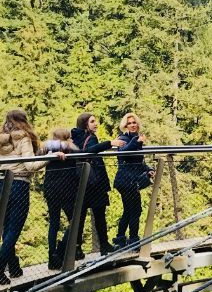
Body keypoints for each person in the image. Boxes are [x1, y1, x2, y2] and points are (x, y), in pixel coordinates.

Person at [0, 109, 41, 283]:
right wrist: (51, 158)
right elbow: (31, 166)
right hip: (18, 184)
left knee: (6, 226)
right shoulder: (23, 138)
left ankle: (14, 267)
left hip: (3, 184)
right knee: (15, 228)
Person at [70, 112, 124, 258]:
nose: (96, 124)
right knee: (99, 215)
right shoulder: (90, 137)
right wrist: (110, 143)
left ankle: (76, 248)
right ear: (85, 124)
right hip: (94, 182)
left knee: (80, 216)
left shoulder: (74, 137)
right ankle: (104, 245)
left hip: (80, 181)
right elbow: (88, 151)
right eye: (92, 121)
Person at [112, 113, 152, 249]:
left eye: (134, 122)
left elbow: (138, 161)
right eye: (130, 123)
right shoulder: (123, 138)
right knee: (135, 210)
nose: (133, 125)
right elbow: (123, 152)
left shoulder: (135, 138)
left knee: (129, 210)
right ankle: (134, 241)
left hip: (130, 181)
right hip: (126, 181)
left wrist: (148, 170)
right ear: (125, 126)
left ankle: (121, 238)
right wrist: (137, 142)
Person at [41, 127, 77, 269]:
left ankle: (51, 256)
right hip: (67, 189)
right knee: (74, 220)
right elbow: (85, 154)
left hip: (50, 188)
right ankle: (60, 251)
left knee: (54, 222)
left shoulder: (47, 150)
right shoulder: (71, 149)